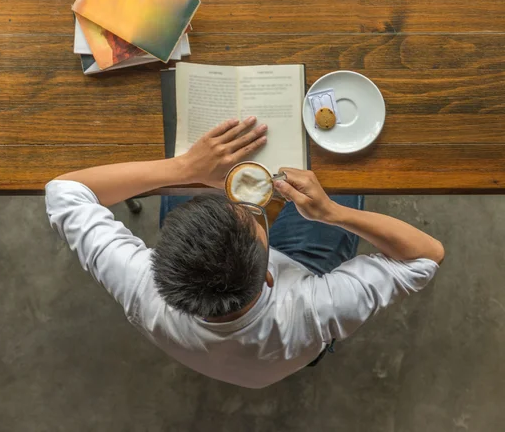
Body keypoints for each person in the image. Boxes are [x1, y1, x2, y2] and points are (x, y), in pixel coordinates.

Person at [45, 117, 444, 389]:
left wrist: (185, 169)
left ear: (159, 264)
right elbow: (425, 255)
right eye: (256, 220)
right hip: (299, 321)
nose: (239, 202)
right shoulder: (315, 309)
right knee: (334, 171)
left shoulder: (142, 289)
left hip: (225, 346)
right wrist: (331, 212)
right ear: (269, 274)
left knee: (185, 173)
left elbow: (64, 191)